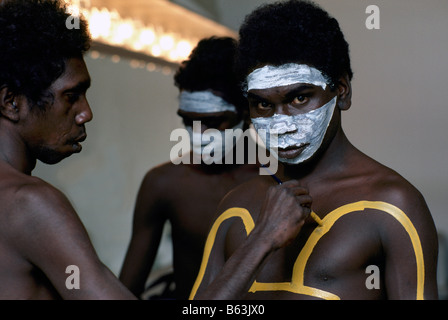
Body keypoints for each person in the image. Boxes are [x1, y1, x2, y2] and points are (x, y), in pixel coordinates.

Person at [190, 0, 438, 300]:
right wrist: (262, 239)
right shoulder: (237, 205)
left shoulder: (394, 205)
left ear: (342, 91)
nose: (281, 125)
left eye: (299, 99)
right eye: (264, 104)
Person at [0, 0, 135, 299]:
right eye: (71, 96)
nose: (86, 113)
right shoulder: (30, 203)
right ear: (11, 102)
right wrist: (256, 245)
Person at [119, 37, 260, 299]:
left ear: (247, 113)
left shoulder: (279, 181)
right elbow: (126, 291)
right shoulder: (163, 183)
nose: (198, 135)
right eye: (188, 121)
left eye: (213, 121)